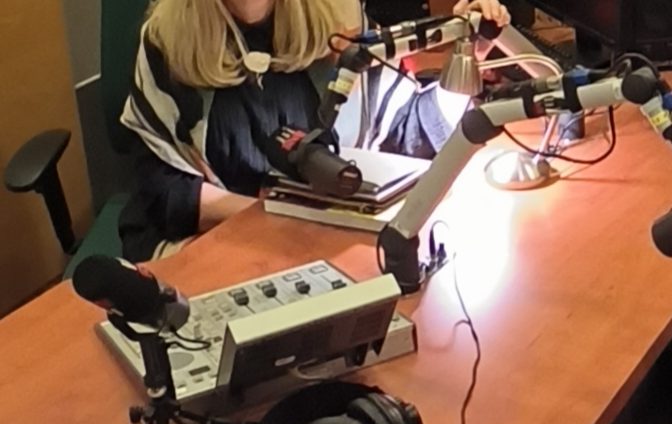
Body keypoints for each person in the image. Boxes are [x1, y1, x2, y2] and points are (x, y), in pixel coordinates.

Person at [118, 0, 510, 261]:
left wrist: (470, 54)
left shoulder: (339, 22)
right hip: (211, 239)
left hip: (324, 239)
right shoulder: (167, 40)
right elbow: (160, 188)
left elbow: (407, 131)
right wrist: (275, 217)